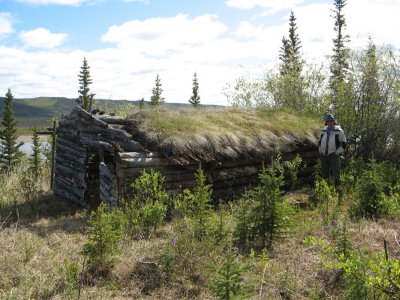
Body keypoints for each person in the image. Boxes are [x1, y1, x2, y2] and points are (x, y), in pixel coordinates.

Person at [318, 113, 347, 187]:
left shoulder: (339, 131)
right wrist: (320, 151)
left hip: (334, 155)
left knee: (336, 172)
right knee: (324, 172)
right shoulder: (323, 131)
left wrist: (337, 152)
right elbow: (319, 142)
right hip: (324, 155)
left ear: (334, 121)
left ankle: (337, 189)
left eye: (331, 120)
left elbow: (344, 144)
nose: (330, 122)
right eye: (328, 121)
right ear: (326, 122)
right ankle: (326, 189)